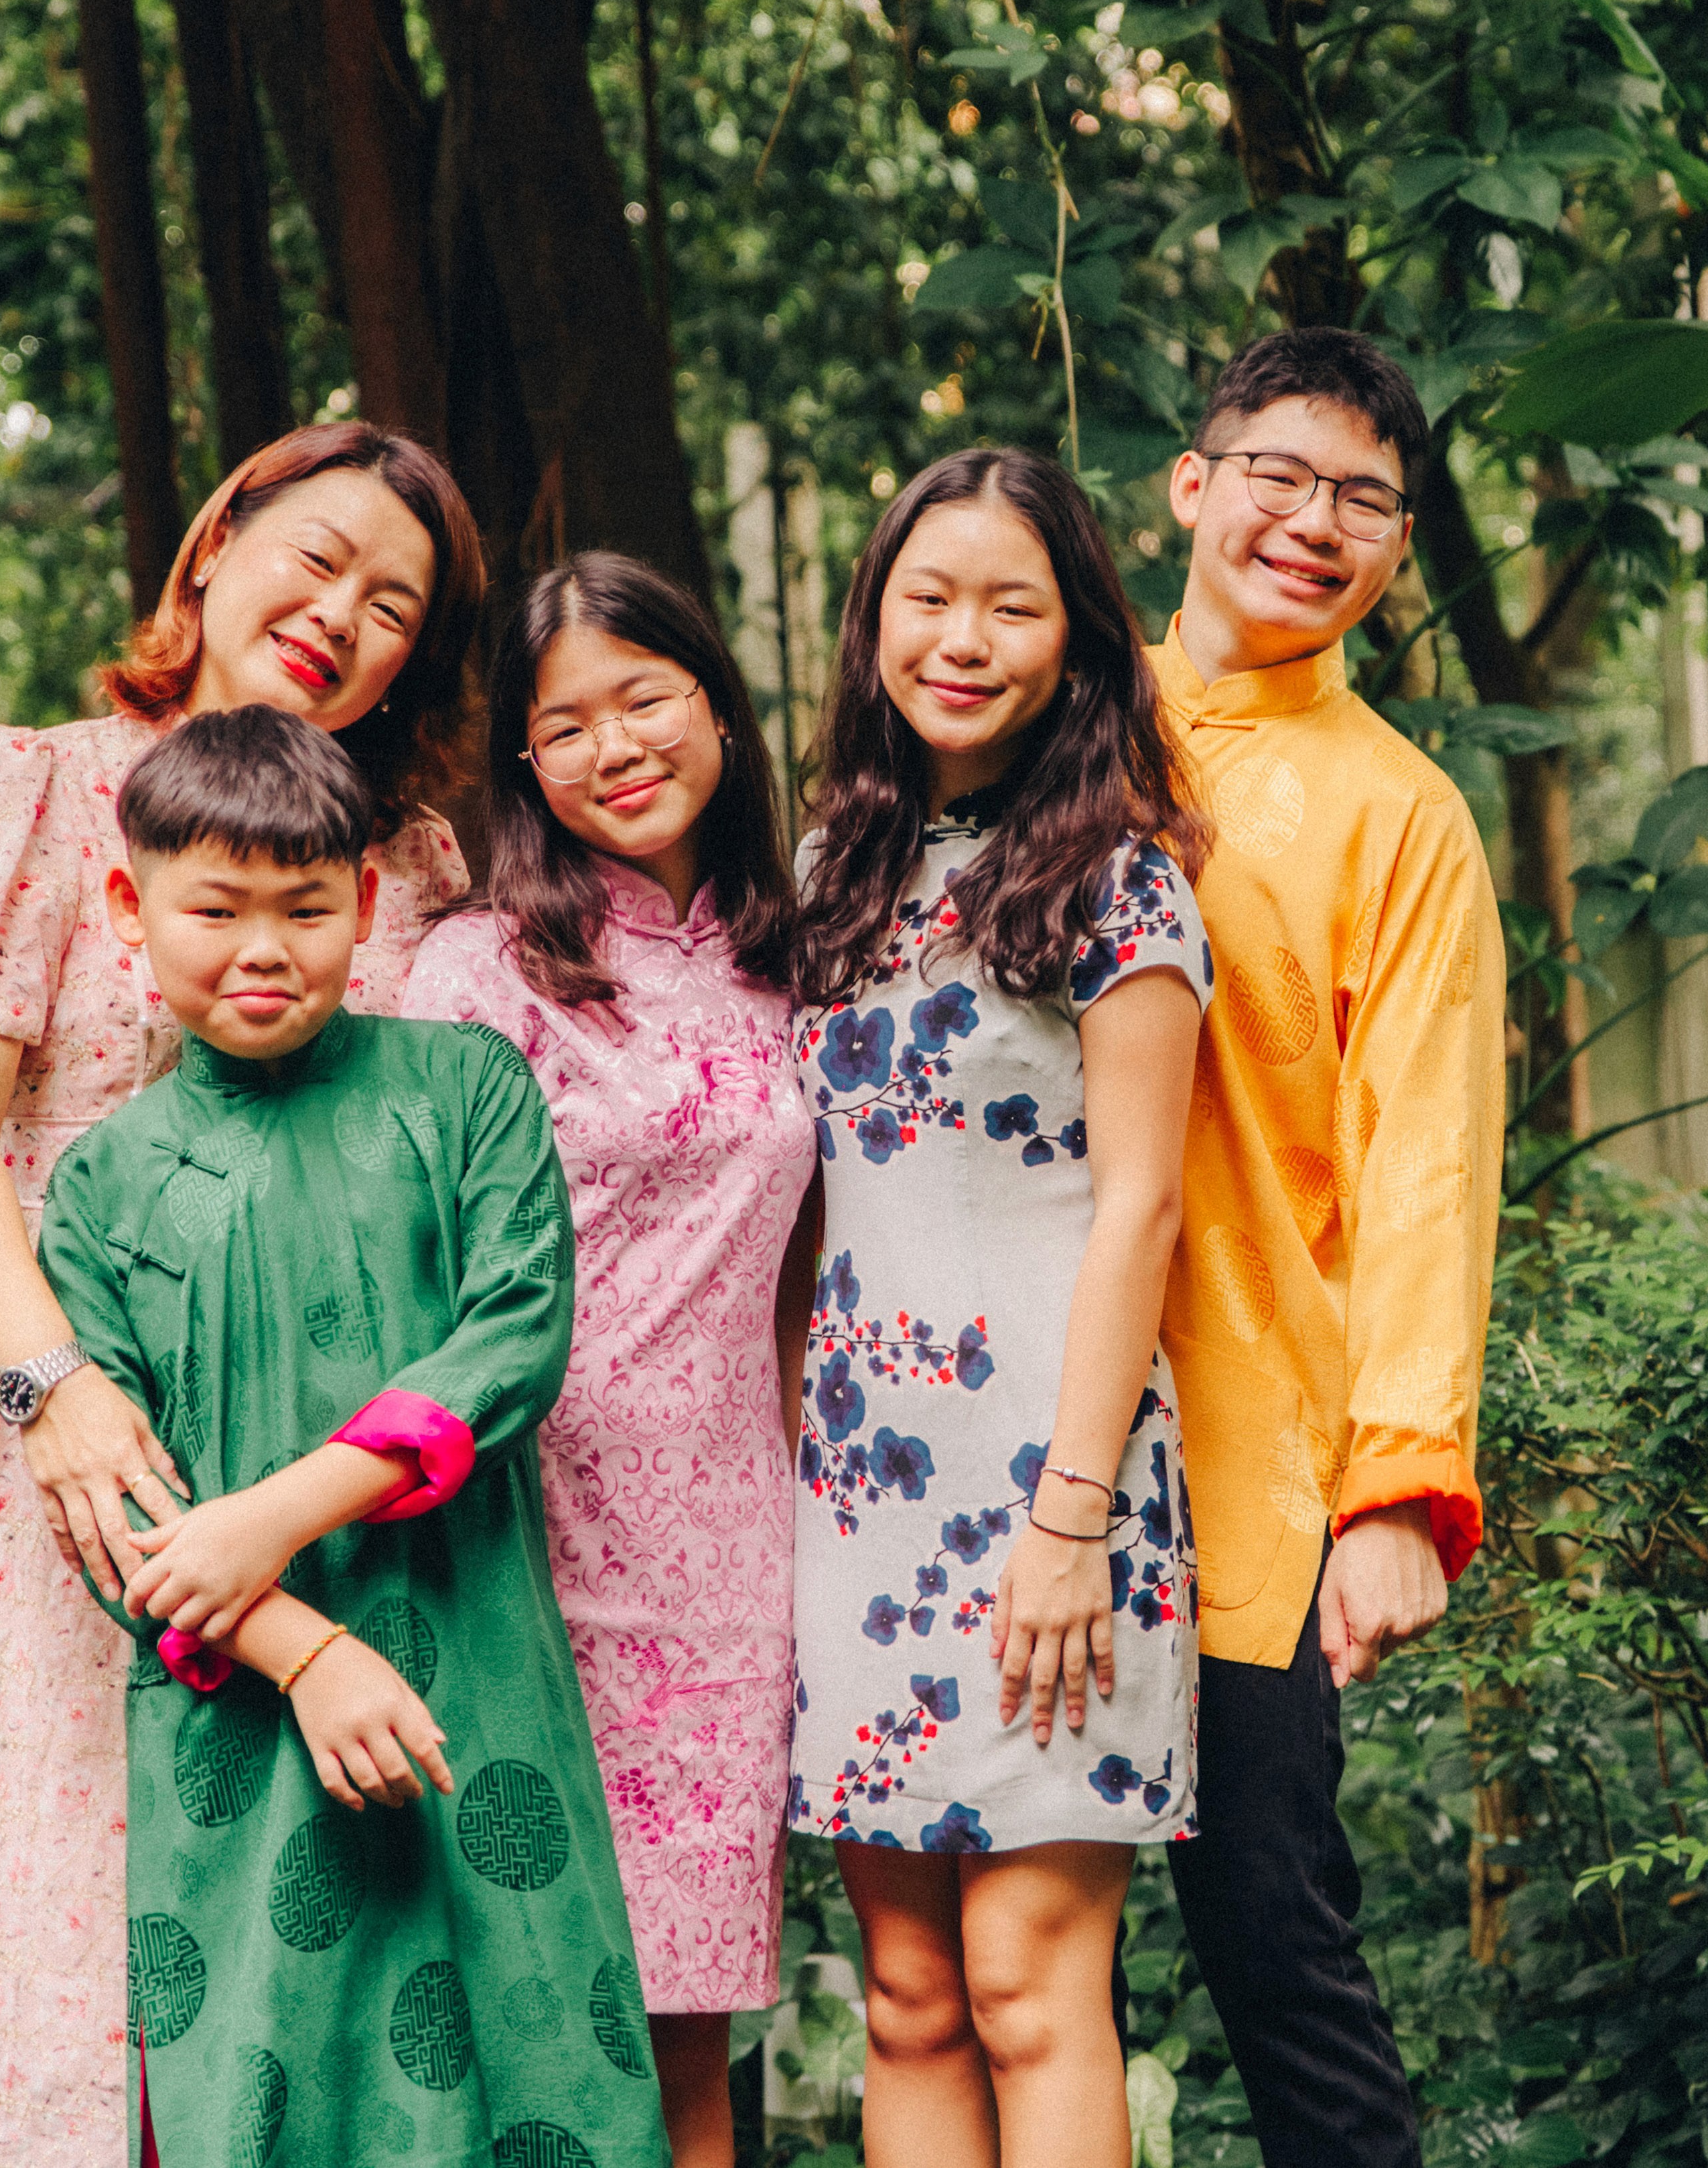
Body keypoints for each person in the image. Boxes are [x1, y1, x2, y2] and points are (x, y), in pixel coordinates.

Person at [0, 421, 484, 2168]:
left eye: (393, 606)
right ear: (215, 540)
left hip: (326, 1472)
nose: (340, 614)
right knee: (74, 1970)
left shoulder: (409, 867)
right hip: (75, 1438)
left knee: (318, 1976)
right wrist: (52, 1384)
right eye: (319, 556)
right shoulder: (35, 787)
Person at [42, 705, 666, 2168]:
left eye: (305, 907)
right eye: (215, 907)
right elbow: (112, 1512)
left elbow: (513, 1338)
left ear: (365, 906)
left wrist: (268, 1515)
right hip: (239, 1714)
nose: (262, 946)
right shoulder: (100, 1187)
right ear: (132, 907)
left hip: (479, 1671)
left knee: (537, 2067)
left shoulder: (463, 1087)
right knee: (271, 2091)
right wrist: (306, 1651)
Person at [786, 446, 1211, 2168]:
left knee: (1031, 1983)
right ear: (874, 616)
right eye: (929, 594)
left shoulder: (1122, 882)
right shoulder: (828, 866)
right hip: (861, 1500)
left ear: (1080, 642)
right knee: (903, 1989)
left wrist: (1069, 1515)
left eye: (1012, 603)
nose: (962, 636)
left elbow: (1146, 1205)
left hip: (1055, 1484)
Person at [397, 554, 811, 2168]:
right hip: (515, 1542)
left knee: (676, 2033)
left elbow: (807, 1273)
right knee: (504, 2006)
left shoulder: (796, 955)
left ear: (714, 701)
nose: (613, 744)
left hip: (721, 1563)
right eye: (562, 724)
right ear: (523, 765)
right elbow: (423, 1277)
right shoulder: (476, 969)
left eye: (643, 695)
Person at [1146, 330, 1504, 2168]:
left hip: (1251, 1463)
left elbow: (1426, 1165)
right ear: (1190, 483)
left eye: (1366, 499)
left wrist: (1395, 1489)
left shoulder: (1402, 813)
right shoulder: (1044, 711)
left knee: (1276, 1940)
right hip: (974, 1427)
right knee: (976, 1942)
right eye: (1277, 474)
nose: (1316, 524)